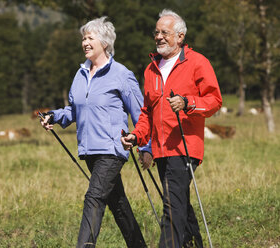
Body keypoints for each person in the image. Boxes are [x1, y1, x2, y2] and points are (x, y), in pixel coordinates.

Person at [40, 16, 151, 248]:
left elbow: (141, 113)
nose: (85, 42)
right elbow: (75, 110)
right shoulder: (80, 75)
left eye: (90, 38)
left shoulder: (121, 74)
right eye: (83, 38)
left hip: (112, 149)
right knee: (117, 203)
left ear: (105, 42)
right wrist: (54, 115)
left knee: (94, 197)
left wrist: (144, 146)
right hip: (88, 149)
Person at [121, 9, 222, 248]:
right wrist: (137, 135)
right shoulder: (151, 69)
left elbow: (215, 100)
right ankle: (193, 244)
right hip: (160, 150)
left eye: (164, 32)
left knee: (171, 206)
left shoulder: (198, 62)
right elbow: (147, 112)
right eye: (156, 32)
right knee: (178, 203)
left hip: (185, 147)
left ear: (180, 36)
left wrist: (188, 102)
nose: (158, 37)